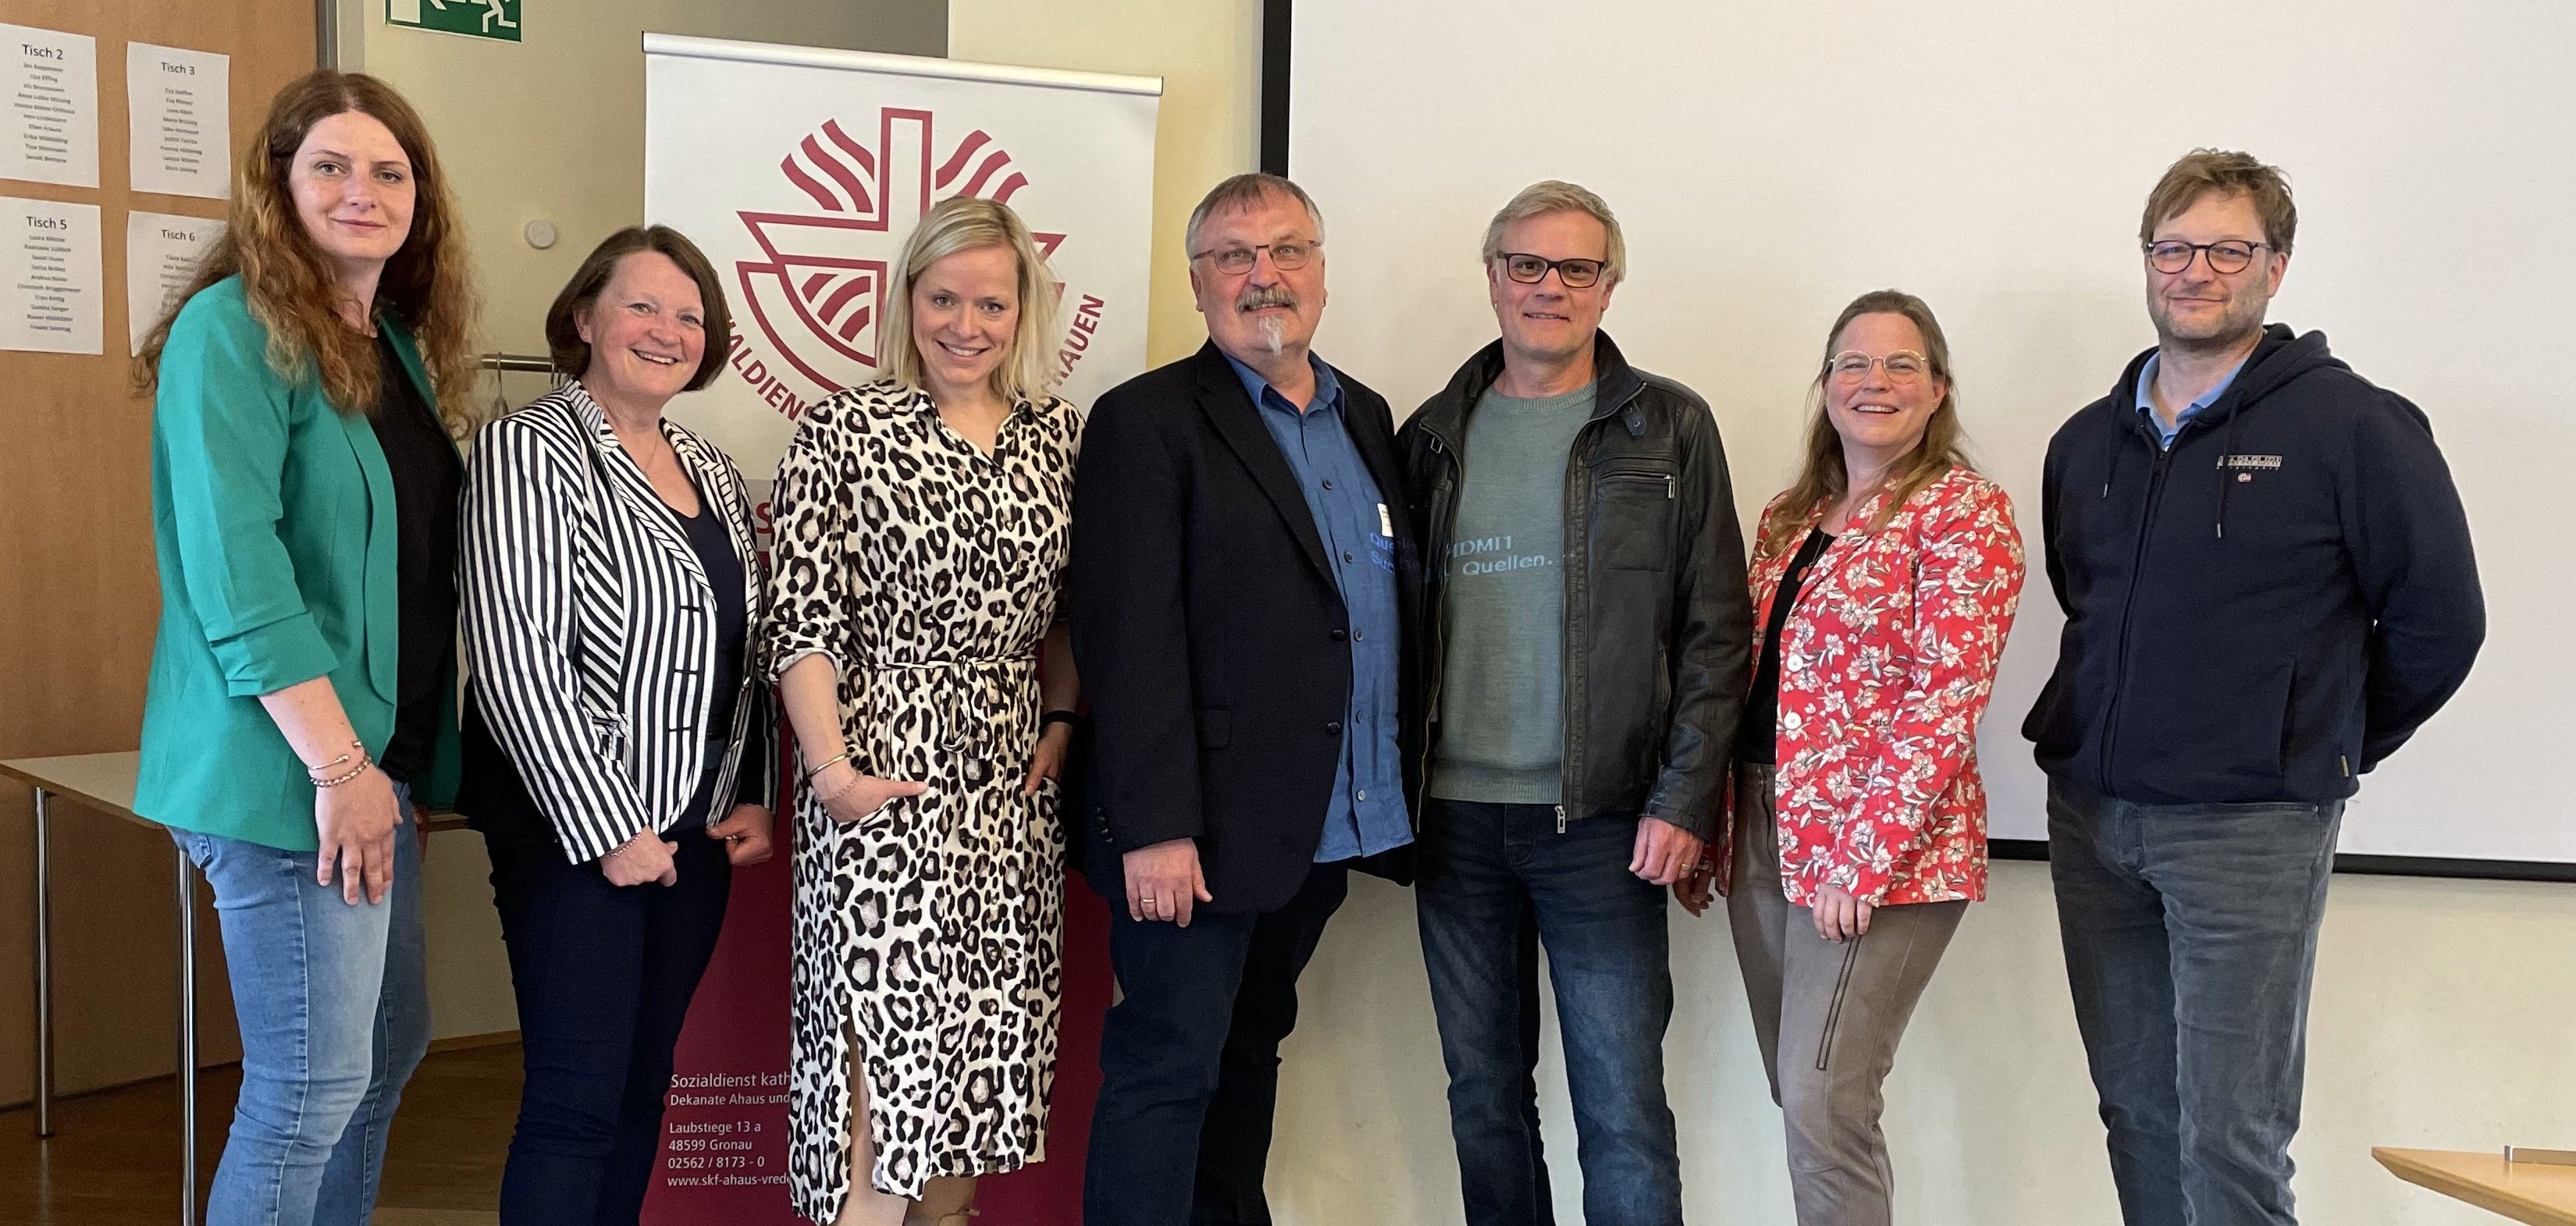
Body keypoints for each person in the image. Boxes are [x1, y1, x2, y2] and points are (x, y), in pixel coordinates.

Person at [2026, 148, 2485, 1226]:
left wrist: (2316, 738)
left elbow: (2441, 622)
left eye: (2228, 248)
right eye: (2173, 247)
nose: (2195, 270)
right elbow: (2080, 593)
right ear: (2146, 260)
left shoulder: (2353, 426)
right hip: (2093, 822)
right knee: (2137, 1111)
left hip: (2249, 828)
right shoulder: (2087, 442)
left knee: (2230, 1134)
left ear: (2276, 267)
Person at [132, 69, 475, 1226]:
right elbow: (241, 572)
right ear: (278, 186)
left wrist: (385, 767)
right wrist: (338, 766)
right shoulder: (233, 329)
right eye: (329, 164)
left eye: (390, 171)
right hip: (289, 772)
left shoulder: (393, 350)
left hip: (367, 769)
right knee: (306, 1086)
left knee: (381, 1053)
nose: (362, 190)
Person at [1396, 179, 1749, 1226]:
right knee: (1484, 1102)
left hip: (1606, 820)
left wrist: (1684, 799)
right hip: (1453, 821)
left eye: (1576, 267)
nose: (1549, 286)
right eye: (1526, 265)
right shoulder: (1428, 435)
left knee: (1623, 1106)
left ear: (1610, 282)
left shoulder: (1669, 426)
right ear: (1495, 277)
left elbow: (1714, 629)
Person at [1072, 172, 1420, 1226]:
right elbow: (1128, 638)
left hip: (1319, 819)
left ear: (1320, 270)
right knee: (1167, 1065)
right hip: (1197, 832)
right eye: (1234, 255)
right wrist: (1157, 825)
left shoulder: (1366, 412)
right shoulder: (1147, 421)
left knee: (1249, 1046)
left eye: (1286, 251)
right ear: (1197, 283)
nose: (1263, 275)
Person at [763, 195, 1083, 1226]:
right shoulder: (846, 427)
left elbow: (1082, 608)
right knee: (882, 1069)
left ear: (1024, 308)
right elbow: (800, 618)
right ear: (906, 298)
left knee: (977, 1070)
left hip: (1007, 788)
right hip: (879, 777)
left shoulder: (1058, 436)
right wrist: (833, 774)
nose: (966, 324)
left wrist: (1063, 718)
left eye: (992, 302)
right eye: (944, 297)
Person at [456, 224, 777, 1225]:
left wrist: (755, 788)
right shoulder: (527, 446)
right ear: (586, 317)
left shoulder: (715, 470)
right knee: (574, 1100)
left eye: (690, 315)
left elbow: (751, 646)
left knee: (646, 1088)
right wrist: (609, 830)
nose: (667, 329)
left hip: (695, 831)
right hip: (575, 831)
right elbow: (515, 655)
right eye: (642, 305)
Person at [1681, 290, 2023, 1226]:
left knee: (1828, 1100)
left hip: (1883, 853)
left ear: (1939, 387)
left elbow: (1945, 698)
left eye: (1901, 364)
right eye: (1853, 364)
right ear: (1826, 385)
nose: (1875, 382)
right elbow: (1748, 677)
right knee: (1804, 1100)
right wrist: (1714, 829)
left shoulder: (1964, 514)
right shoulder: (1791, 515)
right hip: (1760, 824)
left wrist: (1858, 855)